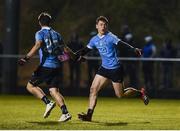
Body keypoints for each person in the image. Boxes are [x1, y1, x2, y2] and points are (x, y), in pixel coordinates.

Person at [76, 16, 149, 122]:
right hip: (104, 69)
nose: (103, 27)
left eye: (105, 25)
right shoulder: (94, 39)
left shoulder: (111, 37)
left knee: (120, 95)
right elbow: (85, 50)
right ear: (97, 26)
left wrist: (134, 49)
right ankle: (89, 115)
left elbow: (122, 44)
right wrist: (74, 55)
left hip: (115, 69)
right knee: (93, 89)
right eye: (101, 24)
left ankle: (140, 94)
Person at [18, 12, 72, 122]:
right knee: (54, 91)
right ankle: (65, 113)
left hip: (46, 66)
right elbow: (65, 50)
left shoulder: (40, 33)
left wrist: (26, 58)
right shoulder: (57, 34)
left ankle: (48, 102)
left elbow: (38, 45)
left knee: (30, 86)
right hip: (57, 66)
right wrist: (75, 57)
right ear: (50, 22)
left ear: (39, 22)